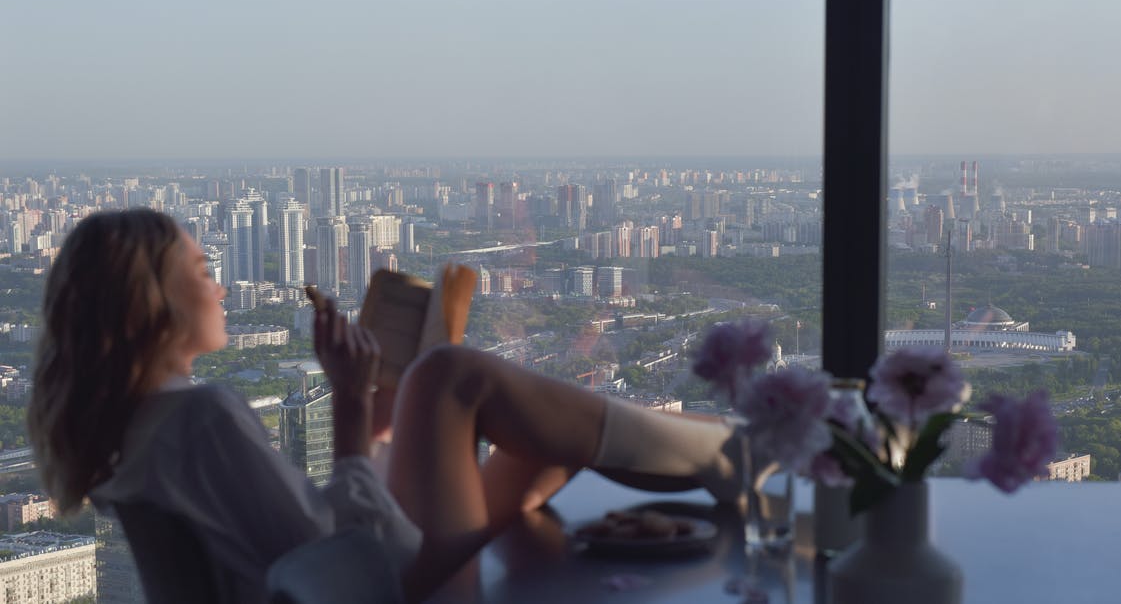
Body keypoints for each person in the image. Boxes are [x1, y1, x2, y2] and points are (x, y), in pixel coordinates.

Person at [27, 209, 743, 602]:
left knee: (540, 443)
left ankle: (728, 451)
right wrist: (349, 403)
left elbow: (298, 541)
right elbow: (342, 562)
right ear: (151, 301)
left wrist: (371, 416)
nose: (217, 287)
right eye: (202, 270)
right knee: (448, 374)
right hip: (370, 587)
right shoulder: (197, 418)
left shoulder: (140, 428)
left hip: (360, 574)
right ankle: (736, 452)